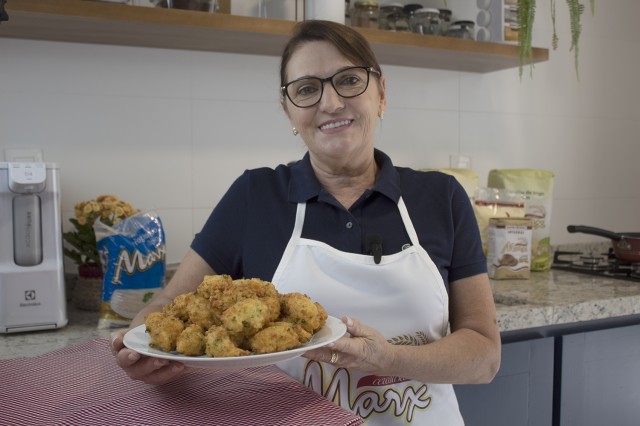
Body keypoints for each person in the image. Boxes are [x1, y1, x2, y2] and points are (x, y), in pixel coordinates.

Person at [111, 20, 501, 425]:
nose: (330, 103)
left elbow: (484, 358)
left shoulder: (441, 197)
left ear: (381, 94)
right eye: (307, 89)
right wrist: (140, 347)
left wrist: (383, 358)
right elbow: (166, 309)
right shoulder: (255, 195)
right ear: (289, 112)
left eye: (349, 80)